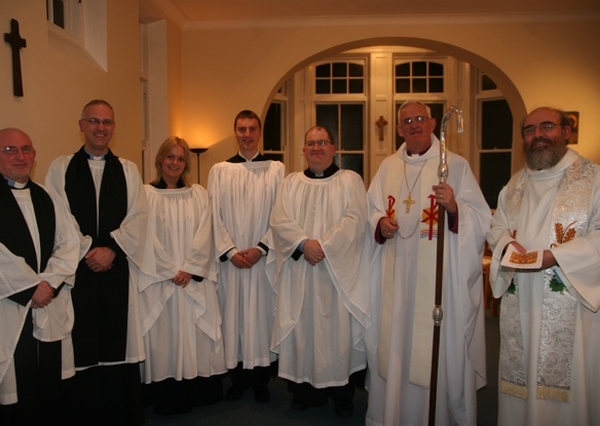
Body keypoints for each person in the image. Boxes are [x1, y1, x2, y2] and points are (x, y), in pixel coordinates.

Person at [365, 100, 491, 425]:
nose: (413, 125)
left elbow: (480, 219)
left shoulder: (454, 166)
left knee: (432, 344)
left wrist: (455, 208)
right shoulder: (387, 167)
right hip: (394, 270)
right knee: (395, 342)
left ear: (433, 123)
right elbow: (371, 208)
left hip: (439, 281)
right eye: (406, 120)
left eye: (420, 118)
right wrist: (379, 222)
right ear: (398, 128)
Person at [486, 106, 600, 426]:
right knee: (521, 374)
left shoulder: (593, 178)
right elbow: (497, 228)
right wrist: (508, 245)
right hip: (521, 297)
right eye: (530, 129)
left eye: (546, 126)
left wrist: (558, 256)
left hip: (571, 298)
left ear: (566, 131)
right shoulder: (516, 184)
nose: (538, 135)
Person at [0, 128, 82, 425]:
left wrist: (50, 283)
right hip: (1, 307)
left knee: (47, 383)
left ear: (34, 155)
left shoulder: (50, 198)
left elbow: (71, 243)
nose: (20, 156)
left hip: (47, 302)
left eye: (26, 149)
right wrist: (30, 289)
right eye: (10, 150)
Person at [45, 100, 148, 425]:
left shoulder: (129, 170)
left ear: (113, 127)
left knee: (119, 338)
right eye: (94, 121)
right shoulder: (60, 168)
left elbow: (139, 216)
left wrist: (112, 249)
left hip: (117, 267)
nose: (101, 127)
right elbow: (57, 215)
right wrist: (90, 250)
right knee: (81, 340)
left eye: (107, 122)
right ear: (81, 125)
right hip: (79, 269)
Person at [266, 125, 370, 417]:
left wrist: (323, 246)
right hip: (301, 271)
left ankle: (342, 393)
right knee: (303, 330)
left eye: (322, 142)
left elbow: (356, 219)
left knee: (337, 333)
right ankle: (303, 390)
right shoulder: (291, 182)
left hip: (337, 274)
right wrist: (302, 244)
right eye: (311, 143)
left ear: (334, 148)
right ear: (303, 150)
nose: (316, 148)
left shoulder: (351, 180)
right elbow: (280, 220)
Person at [137, 137, 226, 415]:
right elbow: (144, 237)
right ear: (159, 160)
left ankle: (198, 391)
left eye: (181, 158)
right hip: (160, 280)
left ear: (186, 163)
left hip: (191, 278)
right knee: (164, 336)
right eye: (170, 157)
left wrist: (190, 267)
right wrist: (167, 270)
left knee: (195, 334)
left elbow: (206, 231)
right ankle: (166, 395)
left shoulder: (198, 194)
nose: (175, 163)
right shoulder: (144, 195)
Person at [207, 110, 285, 403]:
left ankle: (261, 380)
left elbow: (281, 215)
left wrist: (262, 248)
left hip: (262, 260)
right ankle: (238, 380)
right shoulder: (219, 171)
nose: (247, 134)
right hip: (233, 262)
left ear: (260, 131)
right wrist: (229, 250)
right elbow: (213, 215)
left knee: (262, 318)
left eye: (252, 129)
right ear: (235, 132)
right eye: (242, 129)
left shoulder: (276, 170)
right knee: (235, 317)